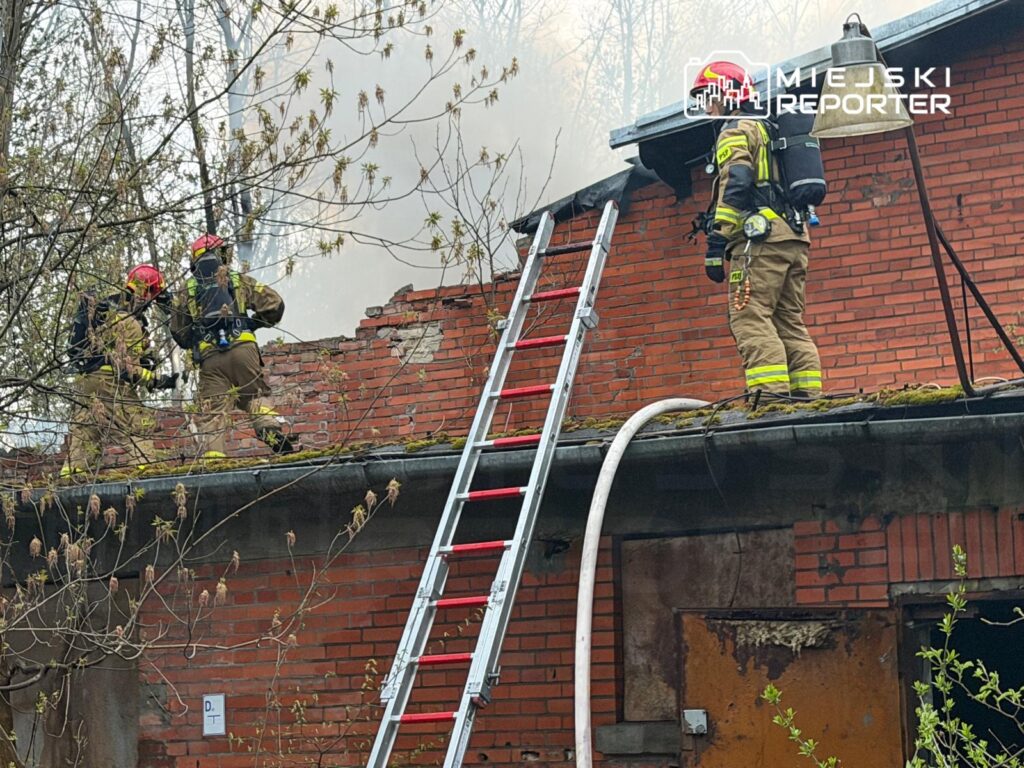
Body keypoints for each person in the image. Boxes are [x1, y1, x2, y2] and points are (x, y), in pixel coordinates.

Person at [692, 61, 823, 398]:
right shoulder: (769, 128)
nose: (707, 107)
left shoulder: (735, 130)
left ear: (727, 94)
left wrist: (718, 239)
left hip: (760, 243)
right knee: (788, 322)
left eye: (709, 97)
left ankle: (771, 401)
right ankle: (807, 399)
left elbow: (736, 180)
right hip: (794, 237)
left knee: (750, 318)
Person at [169, 233, 297, 458]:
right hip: (243, 349)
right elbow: (275, 304)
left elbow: (179, 332)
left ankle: (215, 463)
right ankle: (268, 428)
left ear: (194, 260)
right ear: (223, 255)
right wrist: (251, 323)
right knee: (255, 397)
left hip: (211, 359)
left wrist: (195, 340)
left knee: (213, 415)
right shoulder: (236, 279)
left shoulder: (186, 289)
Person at [63, 264, 179, 476]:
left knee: (86, 434)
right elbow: (129, 370)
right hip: (110, 382)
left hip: (86, 383)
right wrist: (159, 380)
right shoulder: (130, 322)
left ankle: (69, 482)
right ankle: (148, 473)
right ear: (147, 293)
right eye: (153, 295)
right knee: (137, 427)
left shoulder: (107, 308)